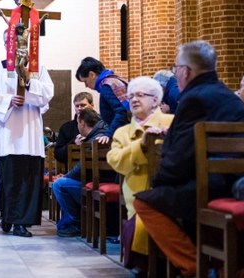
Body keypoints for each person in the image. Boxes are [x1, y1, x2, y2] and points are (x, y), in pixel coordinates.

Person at [133, 41, 244, 277]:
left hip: (216, 185)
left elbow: (179, 159)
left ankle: (195, 268)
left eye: (175, 67)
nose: (175, 72)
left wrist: (159, 180)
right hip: (242, 179)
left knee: (145, 201)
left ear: (185, 71)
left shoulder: (194, 98)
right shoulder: (227, 95)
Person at [0, 33, 54, 237]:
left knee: (29, 180)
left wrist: (29, 85)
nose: (15, 44)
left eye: (21, 41)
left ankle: (21, 222)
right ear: (5, 43)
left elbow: (48, 93)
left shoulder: (37, 68)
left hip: (30, 132)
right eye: (11, 41)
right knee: (9, 179)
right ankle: (7, 215)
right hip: (8, 133)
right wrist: (8, 101)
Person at [106, 76, 174, 272]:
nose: (134, 100)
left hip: (170, 193)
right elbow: (116, 162)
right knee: (141, 228)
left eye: (140, 95)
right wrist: (141, 144)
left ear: (155, 100)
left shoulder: (173, 122)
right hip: (138, 197)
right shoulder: (122, 132)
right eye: (131, 96)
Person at [50, 107, 107, 237]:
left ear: (81, 123)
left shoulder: (94, 139)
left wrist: (65, 176)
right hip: (103, 181)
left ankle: (75, 222)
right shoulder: (103, 133)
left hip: (96, 183)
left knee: (59, 184)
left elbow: (80, 169)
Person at [75, 56, 130, 144]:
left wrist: (108, 134)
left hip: (124, 136)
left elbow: (121, 112)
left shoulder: (107, 86)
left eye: (85, 81)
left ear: (92, 75)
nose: (86, 85)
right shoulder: (115, 81)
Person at [53, 92, 96, 164]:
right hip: (73, 169)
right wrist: (73, 143)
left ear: (91, 105)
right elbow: (58, 155)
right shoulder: (66, 128)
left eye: (83, 105)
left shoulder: (101, 123)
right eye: (77, 106)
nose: (79, 108)